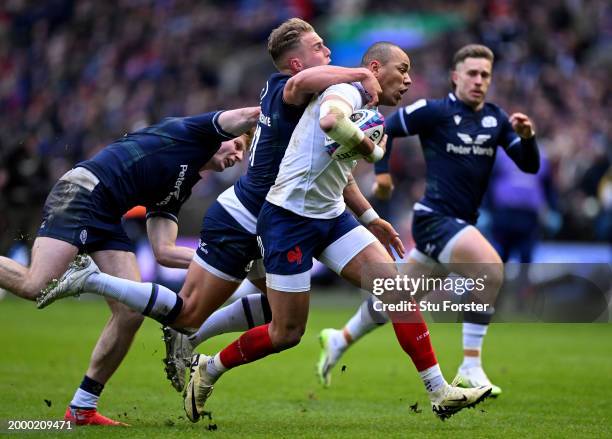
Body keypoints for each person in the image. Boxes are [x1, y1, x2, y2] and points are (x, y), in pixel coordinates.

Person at [36, 18, 388, 394]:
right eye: (318, 46)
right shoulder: (287, 89)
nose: (328, 51)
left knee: (274, 313)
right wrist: (360, 75)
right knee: (197, 314)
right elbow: (259, 110)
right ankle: (92, 282)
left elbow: (164, 250)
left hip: (272, 219)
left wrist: (368, 216)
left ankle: (185, 341)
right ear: (297, 63)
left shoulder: (304, 101)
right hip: (249, 216)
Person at [178, 41, 491, 423]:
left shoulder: (371, 109)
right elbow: (331, 121)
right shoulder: (346, 91)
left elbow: (337, 173)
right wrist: (370, 150)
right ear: (375, 68)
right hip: (287, 219)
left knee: (397, 292)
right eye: (402, 69)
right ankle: (209, 368)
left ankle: (439, 390)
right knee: (286, 333)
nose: (409, 79)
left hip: (331, 217)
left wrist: (371, 217)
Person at [0, 106, 259, 425]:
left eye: (243, 154)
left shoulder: (183, 183)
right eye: (236, 145)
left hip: (107, 215)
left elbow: (163, 251)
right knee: (35, 285)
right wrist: (290, 109)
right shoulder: (197, 131)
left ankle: (82, 408)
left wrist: (222, 259)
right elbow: (252, 113)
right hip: (84, 192)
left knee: (130, 311)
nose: (237, 156)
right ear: (225, 136)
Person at [316, 44, 540, 397]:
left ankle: (338, 340)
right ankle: (470, 366)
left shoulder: (496, 119)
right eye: (472, 73)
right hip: (435, 218)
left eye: (485, 75)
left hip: (460, 222)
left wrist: (528, 140)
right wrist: (383, 174)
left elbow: (528, 165)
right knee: (491, 269)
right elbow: (382, 126)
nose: (479, 81)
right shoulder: (434, 112)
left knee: (397, 296)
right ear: (455, 76)